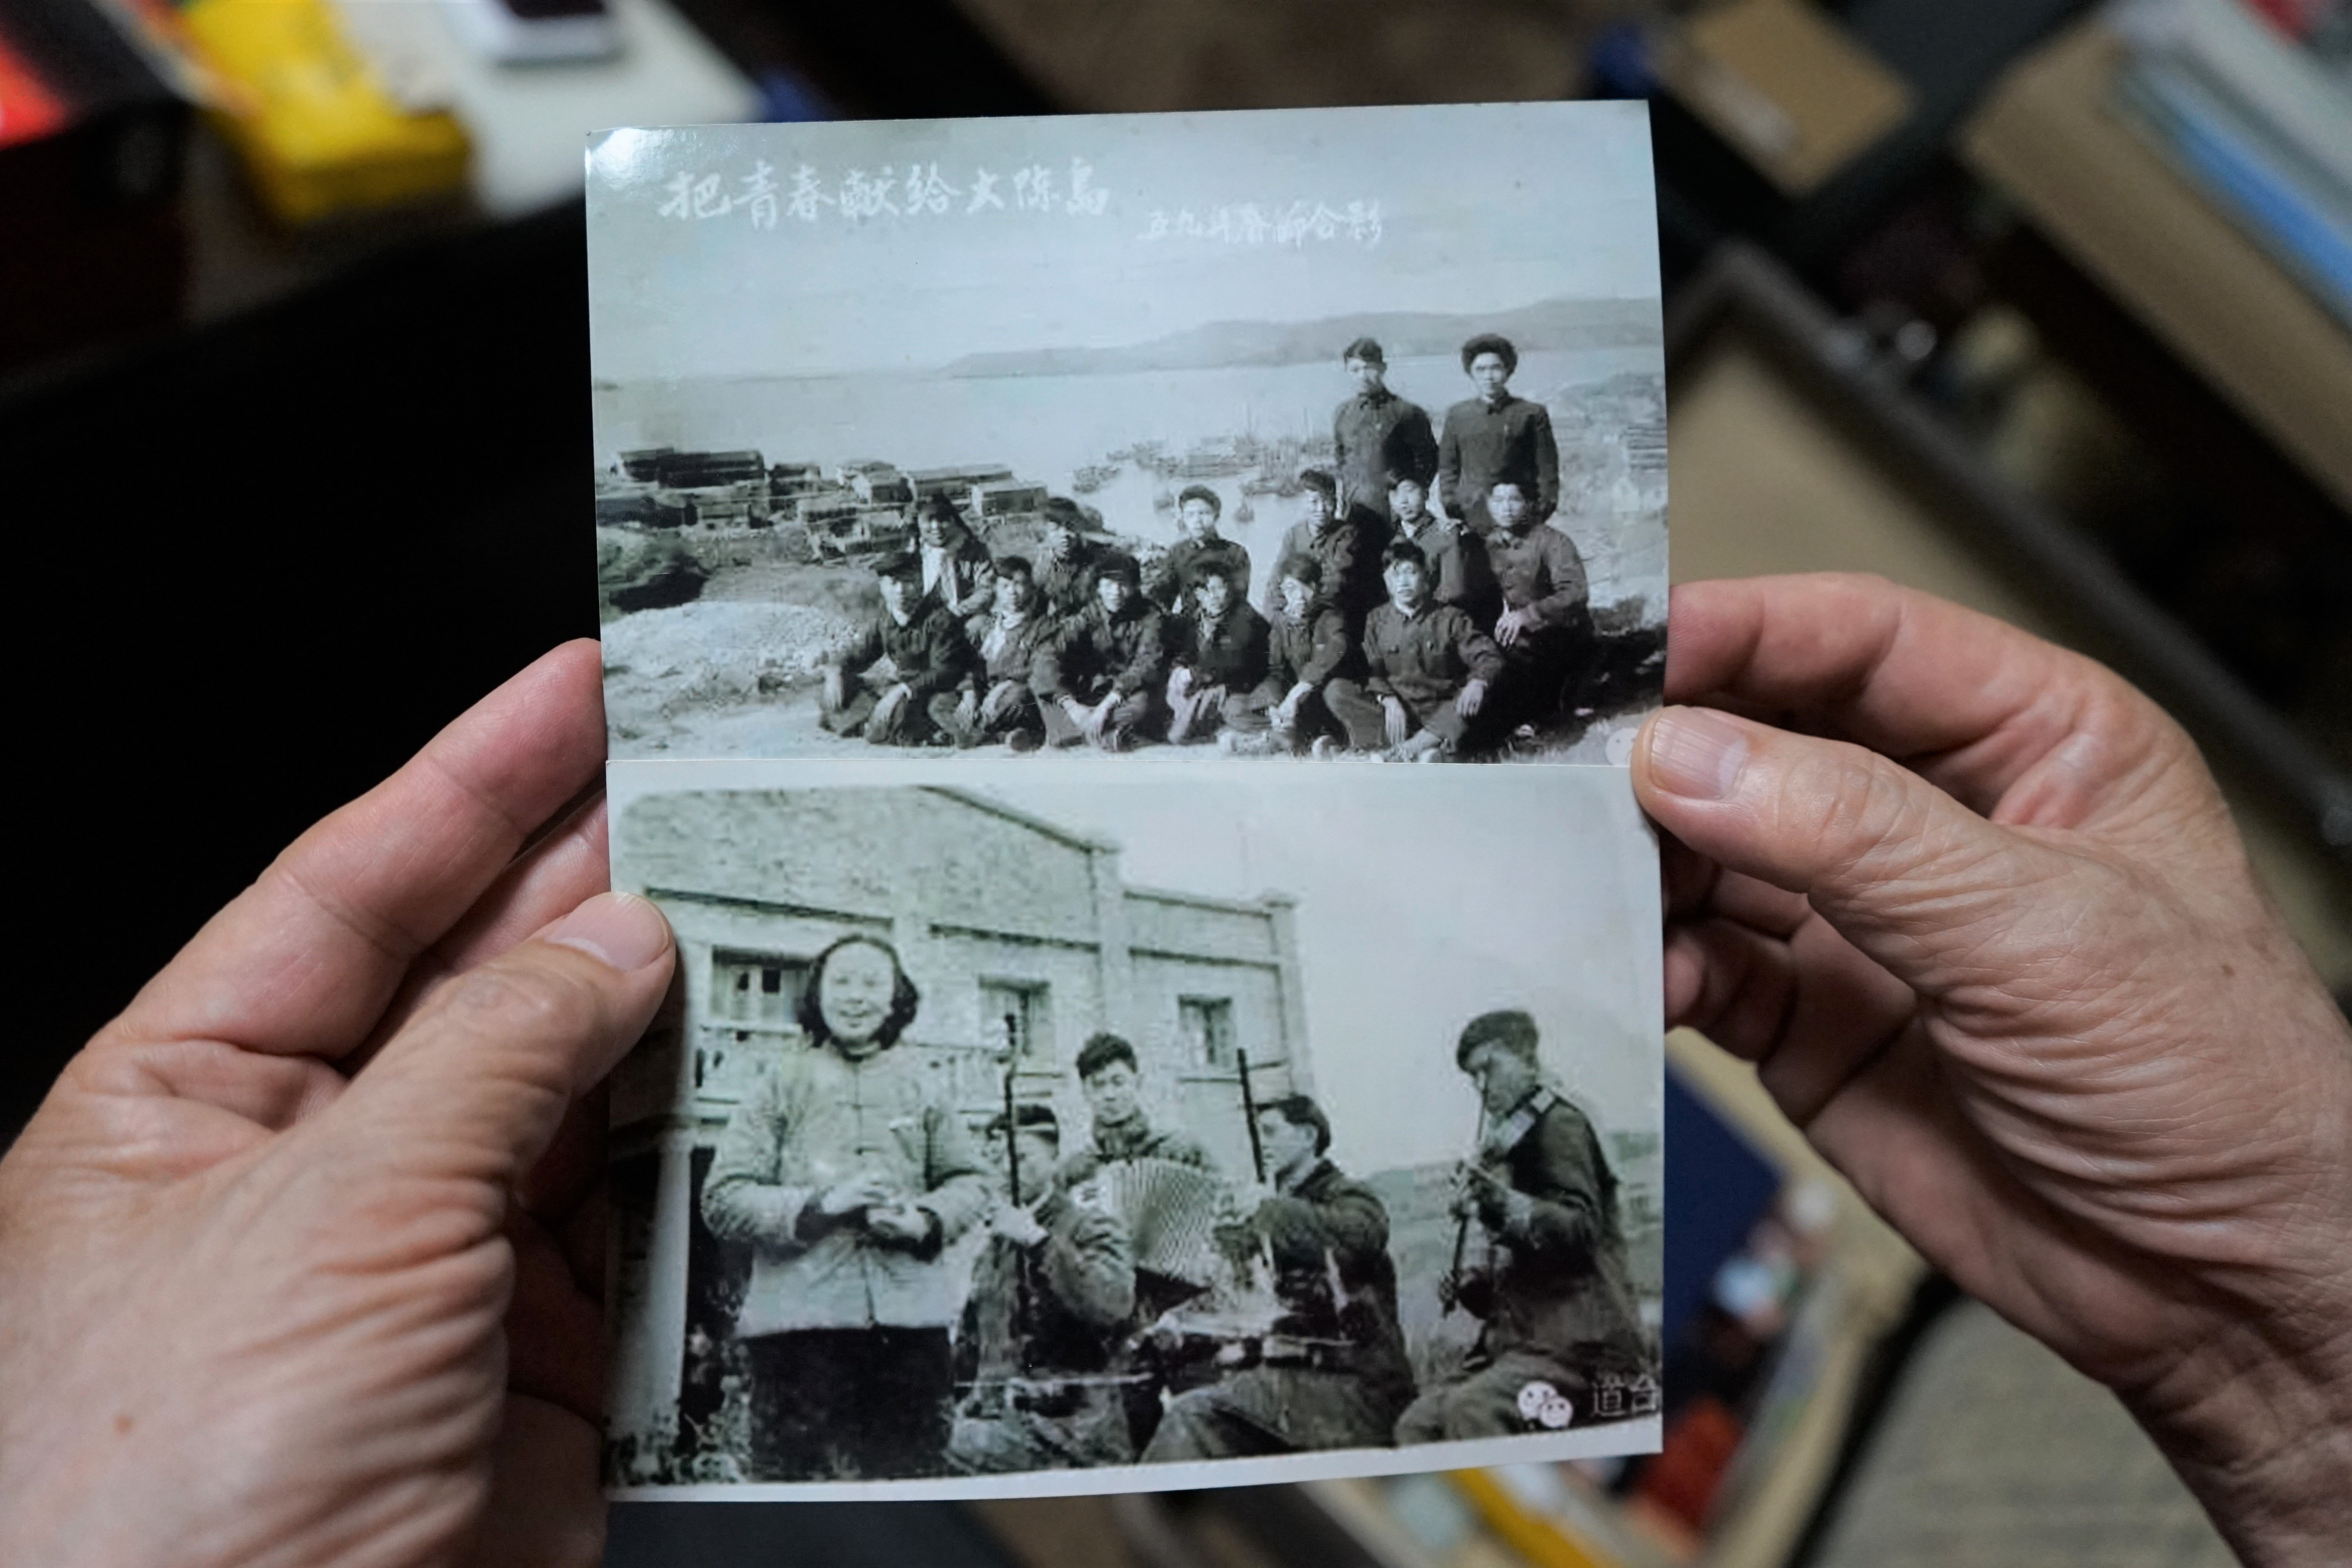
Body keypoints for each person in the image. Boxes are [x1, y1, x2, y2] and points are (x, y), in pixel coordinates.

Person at [5, 577, 2348, 1565]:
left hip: (1015, 1329)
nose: (1130, 1108)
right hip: (811, 1321)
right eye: (845, 988)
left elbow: (1162, 1244)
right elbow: (762, 1198)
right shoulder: (819, 1062)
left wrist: (2284, 1357)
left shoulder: (1362, 1158)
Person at [700, 934, 993, 1480]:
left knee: (910, 1500)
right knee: (798, 1502)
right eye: (842, 982)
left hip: (910, 1337)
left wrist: (923, 1220)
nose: (855, 996)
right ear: (817, 993)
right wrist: (819, 1206)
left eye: (872, 983)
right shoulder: (780, 1083)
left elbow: (973, 1181)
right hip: (798, 1339)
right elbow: (723, 1197)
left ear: (896, 998)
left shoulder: (925, 1086)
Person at [1394, 1011, 1650, 1443]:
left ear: (1527, 1059)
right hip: (1526, 1347)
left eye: (1488, 1068)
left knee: (1471, 1410)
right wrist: (1473, 1287)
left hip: (1582, 1346)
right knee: (1417, 1424)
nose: (1480, 1086)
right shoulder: (1515, 1146)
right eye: (1472, 1077)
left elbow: (1581, 1231)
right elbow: (1528, 1276)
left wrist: (1500, 1201)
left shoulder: (1561, 1125)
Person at [1143, 1095, 1416, 1460]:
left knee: (1193, 1418)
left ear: (1307, 1136)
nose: (1263, 1143)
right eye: (1259, 1133)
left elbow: (1364, 1235)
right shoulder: (1273, 1211)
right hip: (1295, 1386)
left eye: (1271, 1132)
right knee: (1194, 1402)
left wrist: (1267, 1209)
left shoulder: (1345, 1195)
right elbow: (1238, 1295)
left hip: (1355, 1386)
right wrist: (1183, 1321)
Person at [948, 1105, 1140, 1474]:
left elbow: (1113, 1305)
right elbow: (969, 1349)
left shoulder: (1091, 1227)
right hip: (998, 1424)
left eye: (1020, 1158)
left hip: (1071, 1429)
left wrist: (1038, 1242)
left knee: (944, 1443)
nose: (1007, 1170)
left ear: (1054, 1158)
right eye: (995, 1160)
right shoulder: (994, 1249)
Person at [1325, 539, 1504, 762]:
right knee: (1337, 691)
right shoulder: (1376, 620)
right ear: (1386, 581)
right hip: (1399, 712)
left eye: (1411, 573)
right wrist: (1388, 699)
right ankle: (1426, 749)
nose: (1403, 582)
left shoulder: (1451, 618)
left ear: (1426, 577)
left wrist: (1478, 682)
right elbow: (1373, 670)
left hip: (1439, 709)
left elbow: (1488, 657)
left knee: (1471, 700)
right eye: (1395, 575)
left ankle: (1406, 750)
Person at [819, 550, 973, 746]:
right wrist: (836, 670)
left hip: (932, 690)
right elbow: (859, 654)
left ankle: (875, 726)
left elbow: (944, 672)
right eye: (893, 583)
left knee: (907, 711)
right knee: (835, 690)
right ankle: (875, 726)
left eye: (909, 582)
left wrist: (903, 690)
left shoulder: (939, 619)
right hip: (900, 688)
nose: (901, 591)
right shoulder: (886, 619)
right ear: (882, 587)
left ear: (921, 583)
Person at [1482, 479, 1590, 733]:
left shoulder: (1553, 541)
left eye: (1514, 500)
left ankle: (1537, 713)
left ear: (1529, 504)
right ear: (1489, 505)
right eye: (1498, 501)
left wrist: (1529, 614)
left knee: (1528, 672)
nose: (1506, 508)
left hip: (1559, 633)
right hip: (1516, 634)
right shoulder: (1489, 545)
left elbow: (1576, 592)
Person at [1221, 554, 1355, 757]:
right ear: (1283, 591)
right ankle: (1286, 736)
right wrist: (1273, 705)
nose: (1300, 597)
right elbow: (1277, 673)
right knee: (1234, 707)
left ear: (1317, 588)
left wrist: (1298, 692)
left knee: (1331, 695)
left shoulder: (1331, 617)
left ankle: (1282, 739)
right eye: (1292, 589)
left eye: (1307, 587)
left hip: (1321, 700)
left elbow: (1333, 652)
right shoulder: (1282, 624)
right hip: (1291, 705)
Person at [1034, 552, 1169, 752]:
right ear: (1098, 588)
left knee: (1142, 704)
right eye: (1109, 585)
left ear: (1135, 587)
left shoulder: (1151, 616)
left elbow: (1146, 664)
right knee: (1040, 681)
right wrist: (1072, 707)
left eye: (1123, 585)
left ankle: (1069, 733)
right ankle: (1103, 734)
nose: (1116, 593)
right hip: (1091, 689)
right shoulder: (1089, 615)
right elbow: (1050, 651)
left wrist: (1107, 706)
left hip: (1126, 691)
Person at [1055, 1033, 1216, 1188]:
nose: (1110, 1095)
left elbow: (1223, 1199)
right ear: (1085, 1092)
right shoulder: (1076, 1172)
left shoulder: (1180, 1153)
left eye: (1118, 1083)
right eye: (1099, 1085)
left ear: (1138, 1082)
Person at [1438, 332, 1559, 537]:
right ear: (1471, 373)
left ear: (1508, 370)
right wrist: (1453, 508)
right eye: (1481, 370)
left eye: (1496, 368)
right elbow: (1448, 468)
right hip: (1472, 516)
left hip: (1520, 517)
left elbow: (1547, 470)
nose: (1489, 377)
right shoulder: (1458, 415)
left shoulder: (1530, 414)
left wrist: (1538, 513)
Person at [934, 554, 1054, 751]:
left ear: (1031, 588)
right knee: (939, 703)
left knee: (1019, 698)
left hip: (1013, 694)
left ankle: (968, 733)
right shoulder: (985, 626)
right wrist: (970, 691)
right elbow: (966, 662)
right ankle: (998, 736)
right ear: (996, 590)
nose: (1012, 593)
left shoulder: (1042, 627)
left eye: (1019, 585)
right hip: (983, 692)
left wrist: (1005, 686)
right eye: (1005, 587)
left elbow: (1037, 667)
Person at [1331, 337, 1437, 535]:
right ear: (1347, 372)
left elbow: (1429, 462)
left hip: (1395, 516)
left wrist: (1408, 502)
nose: (1363, 376)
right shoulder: (1343, 414)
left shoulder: (1406, 412)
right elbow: (1341, 462)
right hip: (1355, 514)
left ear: (1383, 368)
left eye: (1369, 368)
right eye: (1355, 370)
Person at [1165, 564, 1271, 746]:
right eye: (1206, 591)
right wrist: (1179, 669)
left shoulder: (1246, 619)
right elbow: (1185, 652)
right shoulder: (1196, 619)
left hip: (1241, 686)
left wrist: (1193, 674)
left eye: (1219, 588)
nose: (1213, 596)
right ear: (1198, 595)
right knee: (1174, 686)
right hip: (1208, 682)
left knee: (1221, 709)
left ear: (1230, 589)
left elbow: (1232, 661)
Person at [1260, 469, 1379, 628]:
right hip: (1300, 615)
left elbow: (1336, 585)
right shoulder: (1294, 535)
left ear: (1336, 504)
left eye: (1328, 502)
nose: (1321, 509)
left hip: (1334, 617)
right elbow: (1276, 581)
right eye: (1314, 502)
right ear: (1303, 502)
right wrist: (1278, 618)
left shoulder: (1346, 535)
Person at [1389, 470, 1495, 624]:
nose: (1403, 501)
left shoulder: (1446, 533)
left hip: (1440, 620)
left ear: (1426, 493)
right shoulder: (1393, 541)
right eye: (1395, 494)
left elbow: (1453, 592)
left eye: (1410, 491)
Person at [1145, 485, 1251, 617]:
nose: (1197, 521)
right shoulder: (1178, 553)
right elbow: (1162, 598)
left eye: (1204, 514)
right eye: (1190, 515)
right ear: (1183, 518)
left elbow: (1239, 600)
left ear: (1216, 516)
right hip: (1189, 623)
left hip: (1226, 621)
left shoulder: (1235, 553)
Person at [915, 493, 996, 639]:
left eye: (943, 520)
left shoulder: (973, 551)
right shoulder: (917, 555)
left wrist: (957, 611)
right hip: (927, 619)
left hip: (964, 617)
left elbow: (987, 589)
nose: (936, 527)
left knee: (980, 625)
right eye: (929, 521)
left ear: (953, 521)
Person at [1034, 498, 1103, 623]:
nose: (1064, 534)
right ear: (1045, 534)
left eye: (1070, 527)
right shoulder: (1041, 567)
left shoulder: (1096, 560)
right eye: (1055, 529)